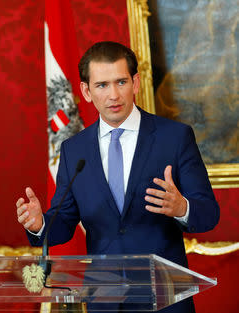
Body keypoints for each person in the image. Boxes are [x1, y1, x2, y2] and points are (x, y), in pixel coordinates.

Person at [16, 41, 219, 313]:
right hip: (105, 300)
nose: (114, 94)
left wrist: (183, 208)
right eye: (102, 85)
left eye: (121, 82)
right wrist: (40, 223)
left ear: (135, 83)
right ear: (86, 91)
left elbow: (209, 214)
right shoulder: (73, 149)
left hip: (166, 298)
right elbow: (63, 221)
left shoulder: (175, 137)